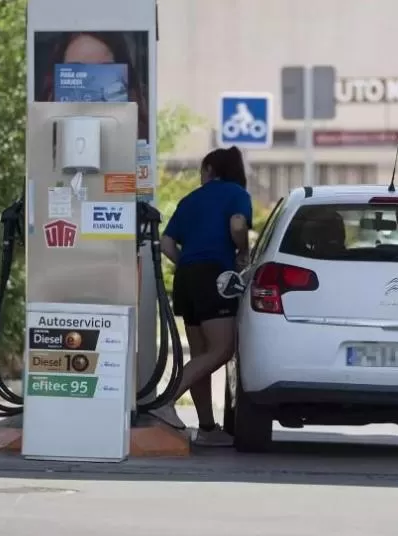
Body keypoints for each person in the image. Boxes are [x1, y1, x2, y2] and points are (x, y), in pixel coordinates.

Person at [157, 147, 252, 446]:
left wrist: (189, 263)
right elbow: (237, 225)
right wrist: (243, 250)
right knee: (223, 350)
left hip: (185, 276)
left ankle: (208, 429)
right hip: (216, 276)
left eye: (201, 170)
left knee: (201, 356)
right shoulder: (237, 193)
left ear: (210, 169)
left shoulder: (190, 200)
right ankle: (166, 401)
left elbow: (166, 243)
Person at [36, 31, 150, 141]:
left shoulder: (142, 149)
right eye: (76, 74)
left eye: (104, 73)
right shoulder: (43, 147)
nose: (90, 89)